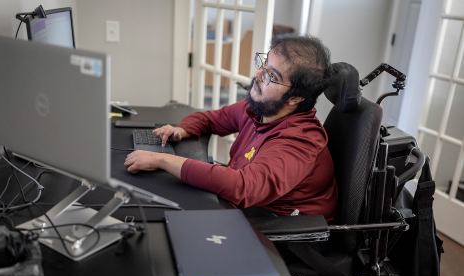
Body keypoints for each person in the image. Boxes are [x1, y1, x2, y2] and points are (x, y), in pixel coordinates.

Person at [124, 35, 337, 220]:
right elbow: (212, 118)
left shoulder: (300, 141)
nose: (257, 74)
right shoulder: (260, 109)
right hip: (252, 208)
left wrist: (163, 159)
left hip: (283, 230)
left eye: (272, 76)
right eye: (263, 64)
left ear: (296, 98)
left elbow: (243, 187)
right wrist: (183, 129)